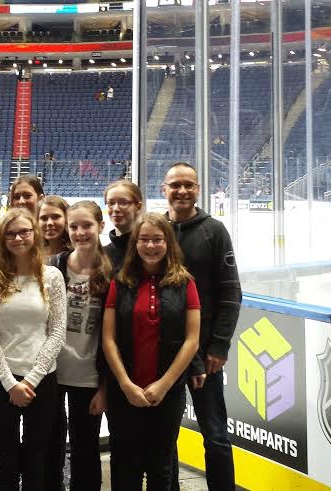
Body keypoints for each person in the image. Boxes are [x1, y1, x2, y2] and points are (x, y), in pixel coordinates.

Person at [102, 212, 202, 490]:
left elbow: (191, 340)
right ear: (135, 244)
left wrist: (164, 384)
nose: (150, 246)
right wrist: (125, 384)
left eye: (157, 239)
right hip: (125, 392)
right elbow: (108, 338)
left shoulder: (185, 283)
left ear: (168, 243)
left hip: (168, 393)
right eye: (144, 239)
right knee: (126, 467)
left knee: (162, 468)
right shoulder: (120, 282)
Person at [163, 163, 241, 491]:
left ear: (197, 189)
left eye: (189, 185)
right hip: (165, 354)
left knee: (216, 434)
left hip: (206, 353)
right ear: (164, 189)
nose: (182, 191)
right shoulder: (156, 230)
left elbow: (231, 292)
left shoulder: (214, 231)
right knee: (165, 436)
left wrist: (219, 345)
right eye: (175, 185)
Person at [0, 208, 66, 490]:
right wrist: (9, 383)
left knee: (36, 458)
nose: (18, 238)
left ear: (34, 234)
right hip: (2, 380)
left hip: (42, 380)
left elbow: (57, 332)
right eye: (11, 234)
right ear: (2, 239)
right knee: (7, 458)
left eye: (24, 232)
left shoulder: (52, 276)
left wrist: (31, 380)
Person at [46, 201, 112, 491]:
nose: (80, 232)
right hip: (52, 372)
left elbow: (113, 336)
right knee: (50, 445)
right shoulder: (55, 266)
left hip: (89, 377)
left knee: (85, 449)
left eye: (87, 225)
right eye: (74, 226)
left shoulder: (111, 271)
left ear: (101, 226)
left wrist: (105, 387)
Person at [103, 179, 144, 271]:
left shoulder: (150, 250)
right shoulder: (102, 255)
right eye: (111, 203)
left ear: (138, 207)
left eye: (123, 203)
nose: (116, 209)